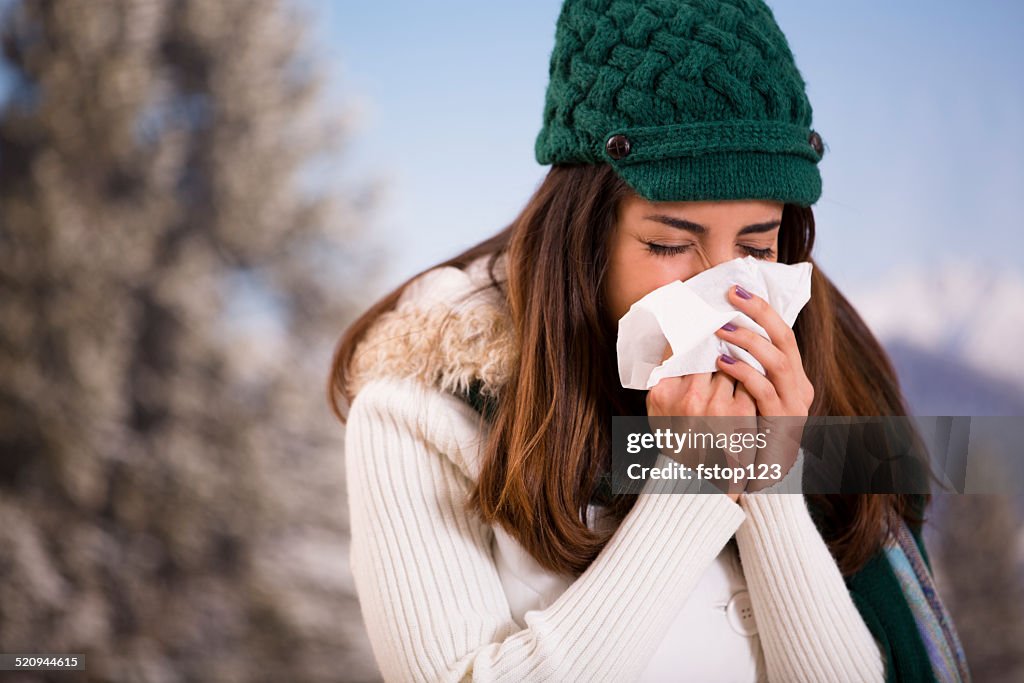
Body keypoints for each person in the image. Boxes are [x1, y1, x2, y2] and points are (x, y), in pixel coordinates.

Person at [329, 1, 969, 681]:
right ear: (584, 237)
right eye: (669, 244)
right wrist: (692, 484)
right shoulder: (421, 412)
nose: (721, 289)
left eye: (757, 245)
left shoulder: (840, 383)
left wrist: (767, 474)